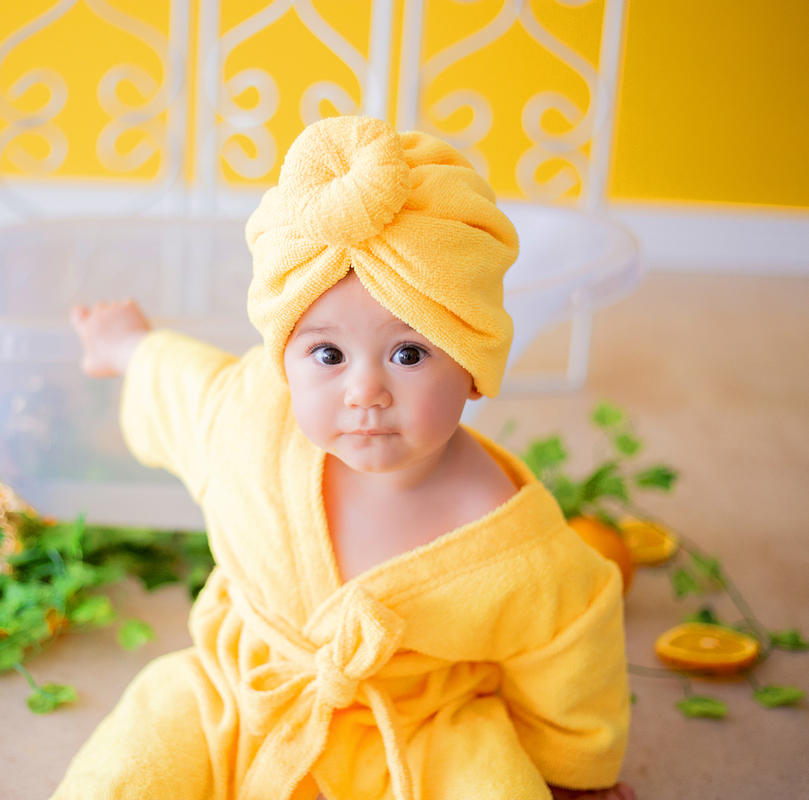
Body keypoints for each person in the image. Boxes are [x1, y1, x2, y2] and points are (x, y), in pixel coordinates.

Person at [57, 116, 634, 800]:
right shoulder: (249, 421)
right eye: (327, 354)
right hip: (243, 686)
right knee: (136, 759)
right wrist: (127, 346)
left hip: (422, 723)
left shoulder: (507, 538)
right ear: (286, 366)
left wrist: (576, 774)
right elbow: (184, 384)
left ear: (473, 368)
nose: (366, 391)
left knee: (491, 785)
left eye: (409, 353)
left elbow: (572, 646)